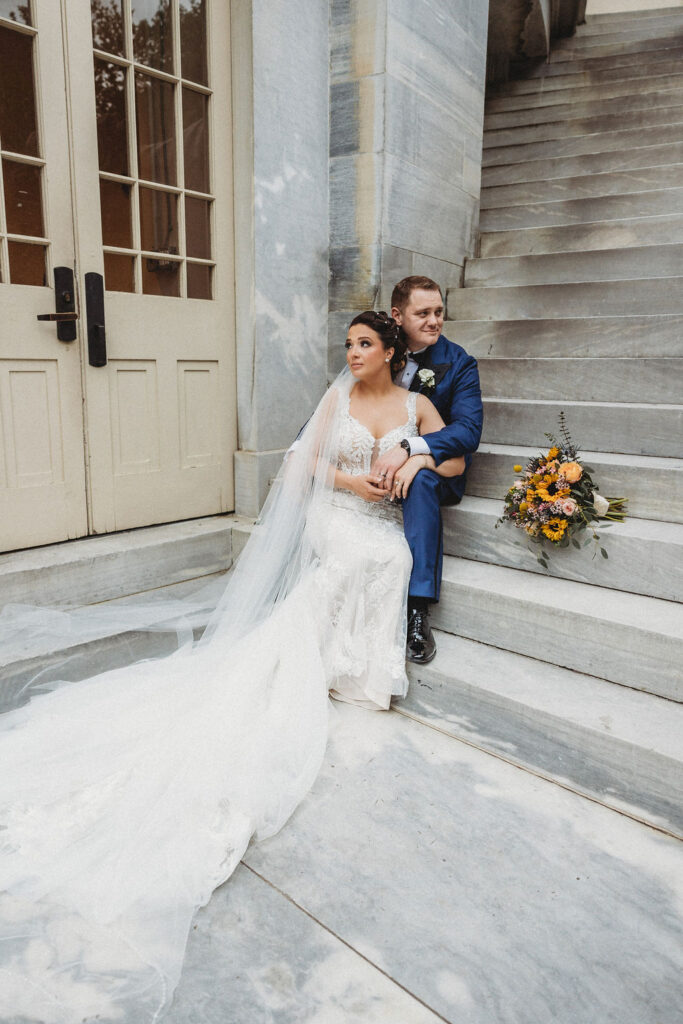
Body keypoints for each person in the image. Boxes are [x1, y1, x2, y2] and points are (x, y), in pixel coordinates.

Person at [0, 311, 463, 1024]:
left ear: (392, 351)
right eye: (347, 344)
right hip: (338, 511)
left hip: (384, 519)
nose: (352, 354)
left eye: (364, 344)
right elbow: (303, 462)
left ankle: (357, 666)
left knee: (393, 554)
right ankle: (319, 656)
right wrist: (352, 484)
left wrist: (417, 460)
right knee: (353, 554)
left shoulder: (417, 405)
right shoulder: (335, 398)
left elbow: (456, 459)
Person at [373, 276, 484, 666]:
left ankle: (417, 608)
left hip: (439, 468)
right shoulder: (381, 350)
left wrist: (413, 452)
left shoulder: (459, 363)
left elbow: (468, 432)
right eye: (423, 313)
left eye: (439, 312)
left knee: (419, 480)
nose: (435, 321)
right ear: (397, 316)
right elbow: (345, 401)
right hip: (377, 464)